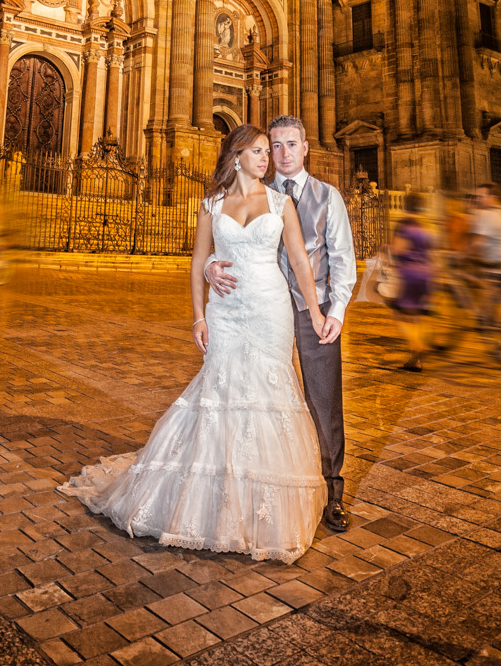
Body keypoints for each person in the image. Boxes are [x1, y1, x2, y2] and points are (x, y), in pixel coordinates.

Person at [58, 124, 328, 562]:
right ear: (236, 157)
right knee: (220, 391)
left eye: (268, 151)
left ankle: (259, 503)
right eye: (258, 151)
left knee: (267, 392)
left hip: (269, 308)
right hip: (226, 311)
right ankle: (217, 495)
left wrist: (314, 312)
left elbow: (298, 259)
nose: (267, 158)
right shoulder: (211, 204)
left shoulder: (281, 202)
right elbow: (199, 259)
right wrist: (199, 314)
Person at [203, 114, 355, 534]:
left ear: (305, 148)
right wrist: (212, 265)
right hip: (262, 310)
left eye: (291, 144)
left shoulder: (327, 196)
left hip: (312, 310)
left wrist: (335, 312)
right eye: (275, 145)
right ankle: (259, 484)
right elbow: (227, 243)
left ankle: (331, 492)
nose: (283, 153)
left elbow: (342, 259)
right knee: (257, 399)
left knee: (322, 400)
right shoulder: (256, 192)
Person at [388, 193, 436, 371]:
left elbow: (399, 249)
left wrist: (388, 251)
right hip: (426, 273)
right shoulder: (426, 226)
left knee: (399, 313)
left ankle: (417, 346)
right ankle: (415, 358)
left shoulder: (404, 225)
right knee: (418, 314)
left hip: (409, 273)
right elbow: (433, 252)